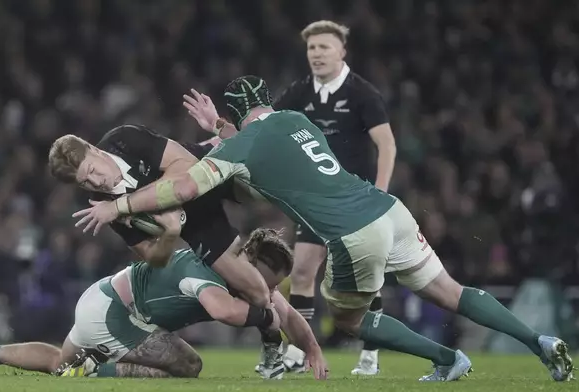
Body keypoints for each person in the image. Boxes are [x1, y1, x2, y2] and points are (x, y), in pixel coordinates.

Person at [74, 75, 574, 382]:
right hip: (389, 210)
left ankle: (446, 357)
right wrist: (220, 132)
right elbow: (259, 142)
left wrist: (119, 208)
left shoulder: (237, 149)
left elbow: (183, 190)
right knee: (450, 291)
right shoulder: (296, 120)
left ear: (232, 115)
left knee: (352, 323)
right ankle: (540, 342)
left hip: (353, 233)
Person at [184, 20, 395, 376]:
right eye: (312, 48)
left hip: (353, 198)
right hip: (312, 199)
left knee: (365, 275)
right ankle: (300, 352)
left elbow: (386, 144)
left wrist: (381, 191)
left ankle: (370, 352)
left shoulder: (363, 94)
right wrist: (218, 127)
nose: (317, 54)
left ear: (342, 51)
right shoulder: (298, 93)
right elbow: (258, 132)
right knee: (301, 271)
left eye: (324, 47)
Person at [47, 125, 286, 377]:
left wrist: (123, 205)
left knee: (273, 181)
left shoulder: (124, 140)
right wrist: (171, 233)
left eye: (92, 170)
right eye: (85, 182)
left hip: (207, 169)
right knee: (259, 294)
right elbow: (153, 257)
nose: (96, 182)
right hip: (201, 220)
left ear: (95, 150)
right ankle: (274, 344)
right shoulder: (101, 204)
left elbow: (187, 167)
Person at [0, 219, 329, 380]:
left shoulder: (235, 265)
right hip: (117, 313)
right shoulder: (211, 272)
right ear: (250, 262)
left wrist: (310, 346)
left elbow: (283, 310)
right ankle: (93, 370)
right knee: (188, 365)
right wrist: (265, 321)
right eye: (264, 283)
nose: (265, 292)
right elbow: (223, 310)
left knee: (58, 362)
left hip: (105, 300)